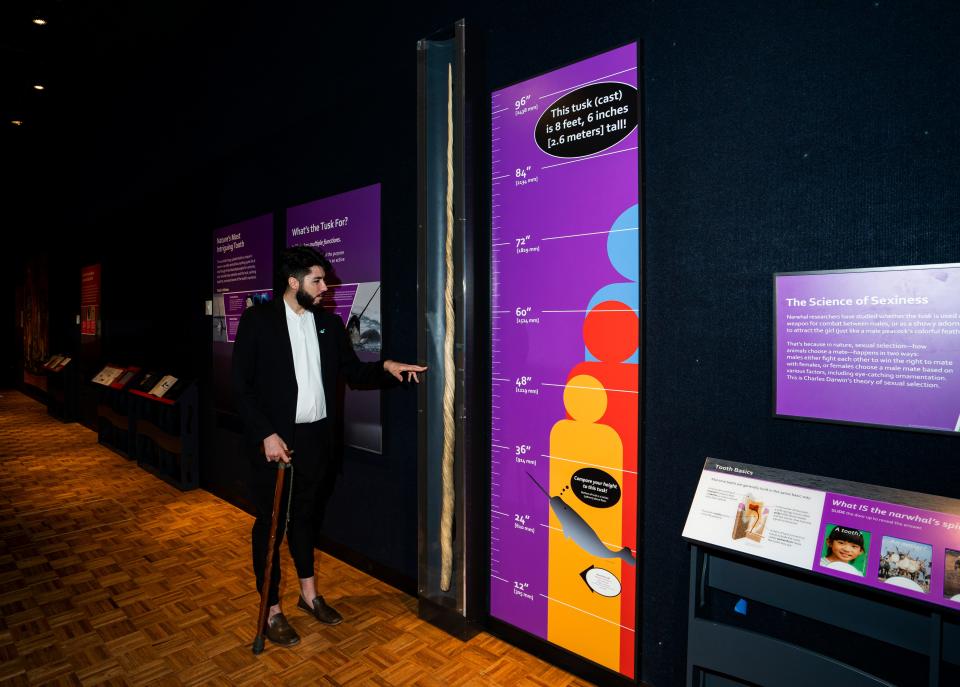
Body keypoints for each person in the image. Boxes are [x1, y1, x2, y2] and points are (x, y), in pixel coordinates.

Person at [232, 246, 426, 647]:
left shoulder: (329, 324)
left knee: (305, 519)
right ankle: (272, 610)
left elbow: (352, 372)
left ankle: (309, 595)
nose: (325, 287)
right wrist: (265, 434)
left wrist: (387, 368)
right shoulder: (258, 321)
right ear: (293, 281)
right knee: (270, 527)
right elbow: (241, 387)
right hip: (275, 441)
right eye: (317, 280)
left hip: (316, 440)